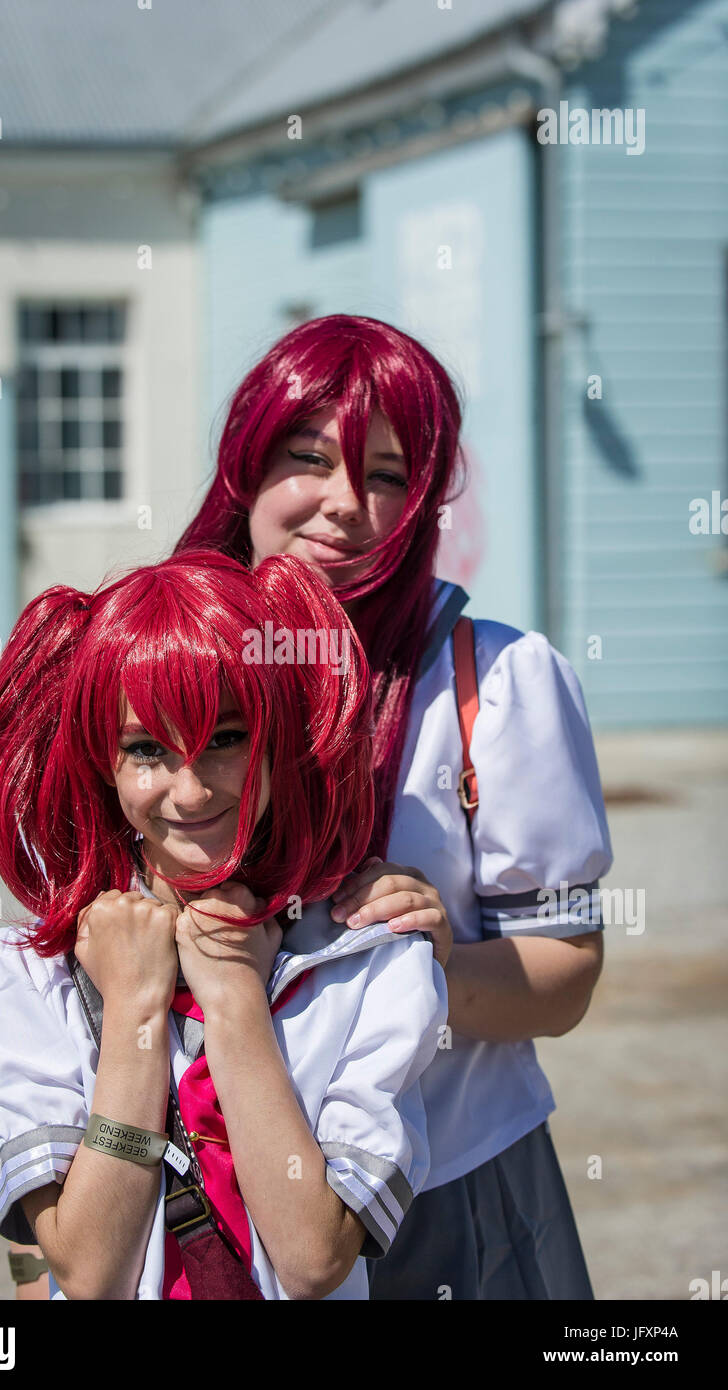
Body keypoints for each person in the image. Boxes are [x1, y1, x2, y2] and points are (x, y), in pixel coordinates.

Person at [175, 313, 613, 1299]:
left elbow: (566, 975)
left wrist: (420, 961)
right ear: (246, 466)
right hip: (202, 1180)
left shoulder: (491, 677)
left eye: (385, 474)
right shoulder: (166, 657)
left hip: (447, 1194)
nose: (343, 504)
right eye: (307, 458)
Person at [0, 550, 448, 1300]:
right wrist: (132, 1010)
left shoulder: (373, 962)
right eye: (147, 749)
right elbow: (89, 1272)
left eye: (224, 738)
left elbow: (315, 1257)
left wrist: (233, 1001)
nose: (189, 792)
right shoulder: (31, 969)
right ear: (104, 762)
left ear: (277, 739)